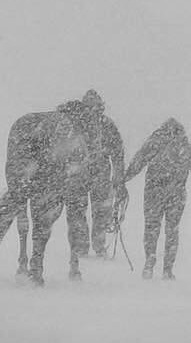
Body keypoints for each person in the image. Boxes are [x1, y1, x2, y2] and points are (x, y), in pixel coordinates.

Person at [123, 118, 191, 280]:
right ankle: (167, 269)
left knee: (151, 228)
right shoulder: (183, 144)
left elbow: (138, 162)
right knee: (172, 230)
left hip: (154, 192)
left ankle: (149, 261)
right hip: (176, 193)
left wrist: (124, 179)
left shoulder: (154, 142)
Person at [57, 89, 128, 258]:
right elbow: (117, 153)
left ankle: (88, 246)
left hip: (86, 175)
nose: (92, 110)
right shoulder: (100, 124)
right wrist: (118, 176)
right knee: (90, 211)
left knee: (86, 212)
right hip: (87, 175)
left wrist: (118, 177)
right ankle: (92, 246)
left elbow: (117, 153)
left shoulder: (84, 125)